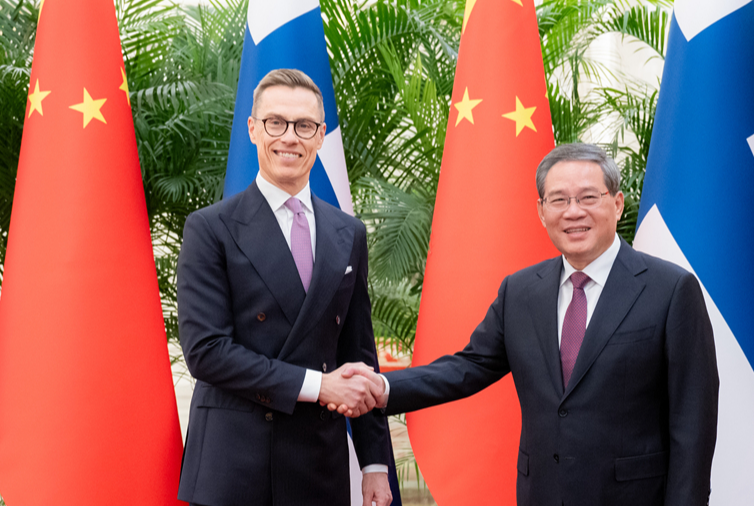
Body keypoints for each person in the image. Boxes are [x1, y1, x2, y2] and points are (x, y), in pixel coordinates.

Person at [336, 143, 719, 506]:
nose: (573, 212)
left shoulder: (670, 290)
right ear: (541, 211)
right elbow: (467, 367)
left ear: (617, 204)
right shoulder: (520, 291)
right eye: (559, 200)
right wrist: (383, 387)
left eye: (589, 197)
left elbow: (693, 423)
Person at [176, 69, 391, 506]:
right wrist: (320, 386)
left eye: (304, 126)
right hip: (235, 466)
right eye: (276, 122)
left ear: (320, 135)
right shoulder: (210, 228)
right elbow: (207, 352)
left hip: (318, 463)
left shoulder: (348, 232)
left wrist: (374, 463)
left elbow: (359, 355)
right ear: (254, 129)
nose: (289, 137)